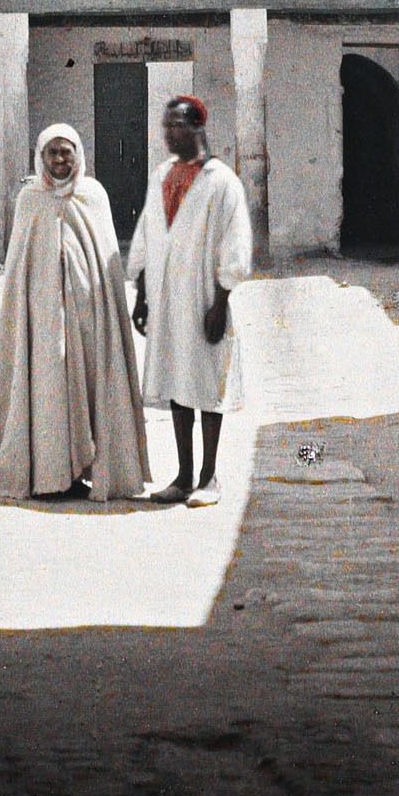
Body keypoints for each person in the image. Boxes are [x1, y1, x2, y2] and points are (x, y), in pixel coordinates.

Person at [0, 122, 149, 503]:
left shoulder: (93, 196)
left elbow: (107, 263)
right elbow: (19, 267)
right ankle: (50, 475)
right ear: (41, 157)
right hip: (43, 319)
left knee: (90, 383)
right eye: (52, 152)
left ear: (78, 155)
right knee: (48, 387)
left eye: (66, 151)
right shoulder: (30, 199)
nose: (59, 159)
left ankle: (90, 470)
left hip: (90, 316)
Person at [129, 95, 251, 507]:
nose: (169, 134)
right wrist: (142, 295)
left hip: (204, 297)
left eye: (177, 126)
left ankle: (208, 477)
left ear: (198, 126)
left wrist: (220, 301)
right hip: (167, 297)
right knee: (178, 381)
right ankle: (182, 475)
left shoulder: (221, 181)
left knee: (206, 383)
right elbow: (148, 233)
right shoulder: (162, 174)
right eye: (165, 127)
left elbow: (234, 246)